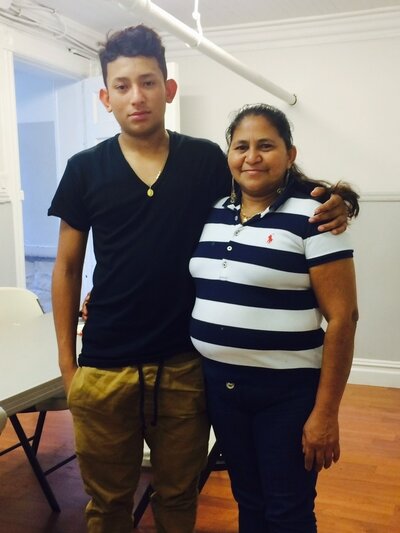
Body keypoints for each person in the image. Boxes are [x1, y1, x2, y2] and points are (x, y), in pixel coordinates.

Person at [48, 25, 355, 533]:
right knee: (106, 505)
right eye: (121, 86)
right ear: (105, 97)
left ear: (169, 89)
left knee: (178, 496)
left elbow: (262, 181)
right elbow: (66, 267)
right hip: (104, 367)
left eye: (148, 82)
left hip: (186, 369)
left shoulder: (205, 160)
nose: (136, 96)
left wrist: (335, 198)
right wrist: (66, 366)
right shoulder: (84, 169)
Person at [189, 103, 359, 533]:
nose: (252, 157)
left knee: (288, 511)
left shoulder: (314, 216)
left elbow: (343, 318)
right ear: (228, 155)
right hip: (221, 389)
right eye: (241, 146)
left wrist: (326, 413)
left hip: (286, 395)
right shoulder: (213, 213)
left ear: (290, 153)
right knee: (249, 501)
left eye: (266, 145)